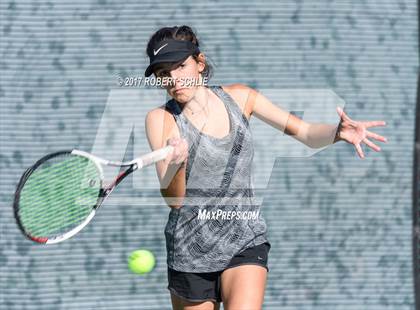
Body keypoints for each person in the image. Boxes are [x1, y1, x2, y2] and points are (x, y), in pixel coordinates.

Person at [144, 25, 387, 310]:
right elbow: (174, 200)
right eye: (164, 74)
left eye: (180, 66)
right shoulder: (160, 119)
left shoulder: (242, 97)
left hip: (244, 239)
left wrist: (337, 132)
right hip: (190, 249)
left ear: (199, 63)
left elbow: (306, 133)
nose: (174, 79)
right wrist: (177, 163)